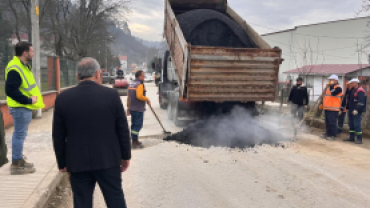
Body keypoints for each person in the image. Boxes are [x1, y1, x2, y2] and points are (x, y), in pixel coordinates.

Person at [52, 58, 131, 208]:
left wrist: (62, 162)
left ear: (77, 76)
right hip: (108, 160)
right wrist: (125, 155)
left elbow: (58, 134)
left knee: (81, 202)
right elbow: (122, 129)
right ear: (97, 74)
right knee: (115, 198)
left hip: (77, 162)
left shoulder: (63, 98)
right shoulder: (111, 95)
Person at [5, 42, 45, 175]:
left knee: (20, 134)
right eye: (31, 51)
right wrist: (27, 100)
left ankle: (19, 160)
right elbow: (10, 90)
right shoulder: (15, 68)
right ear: (25, 53)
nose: (33, 54)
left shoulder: (22, 66)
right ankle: (16, 163)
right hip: (20, 107)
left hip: (23, 107)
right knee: (19, 134)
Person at [127, 70, 151, 148]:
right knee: (138, 125)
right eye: (143, 76)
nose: (144, 77)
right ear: (139, 76)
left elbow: (128, 97)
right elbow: (139, 96)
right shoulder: (140, 84)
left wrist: (128, 107)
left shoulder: (131, 84)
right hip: (138, 108)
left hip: (132, 108)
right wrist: (147, 99)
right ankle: (134, 141)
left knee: (134, 125)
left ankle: (135, 140)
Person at [343, 78, 367, 144]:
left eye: (352, 83)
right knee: (351, 124)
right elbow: (348, 98)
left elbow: (361, 102)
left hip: (356, 111)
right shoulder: (353, 90)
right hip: (351, 110)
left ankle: (359, 139)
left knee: (357, 125)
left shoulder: (360, 91)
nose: (351, 84)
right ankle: (351, 137)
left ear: (356, 83)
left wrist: (357, 109)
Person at [321, 74, 343, 140]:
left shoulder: (339, 88)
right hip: (327, 107)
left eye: (332, 80)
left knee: (332, 122)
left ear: (336, 80)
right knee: (327, 122)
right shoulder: (329, 88)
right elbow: (325, 96)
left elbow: (333, 93)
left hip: (334, 108)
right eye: (330, 80)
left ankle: (333, 135)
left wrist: (331, 86)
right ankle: (328, 133)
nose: (330, 81)